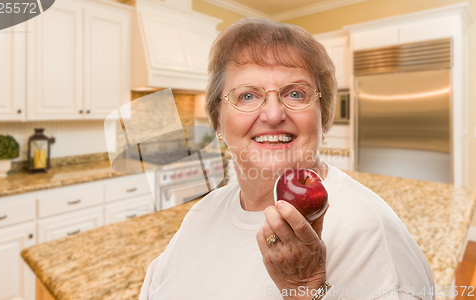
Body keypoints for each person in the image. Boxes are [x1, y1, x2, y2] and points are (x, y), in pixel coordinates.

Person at [139, 18, 434, 300]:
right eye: (247, 96)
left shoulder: (370, 234)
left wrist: (306, 291)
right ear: (218, 122)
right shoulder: (205, 211)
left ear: (324, 118)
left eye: (295, 93)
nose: (273, 114)